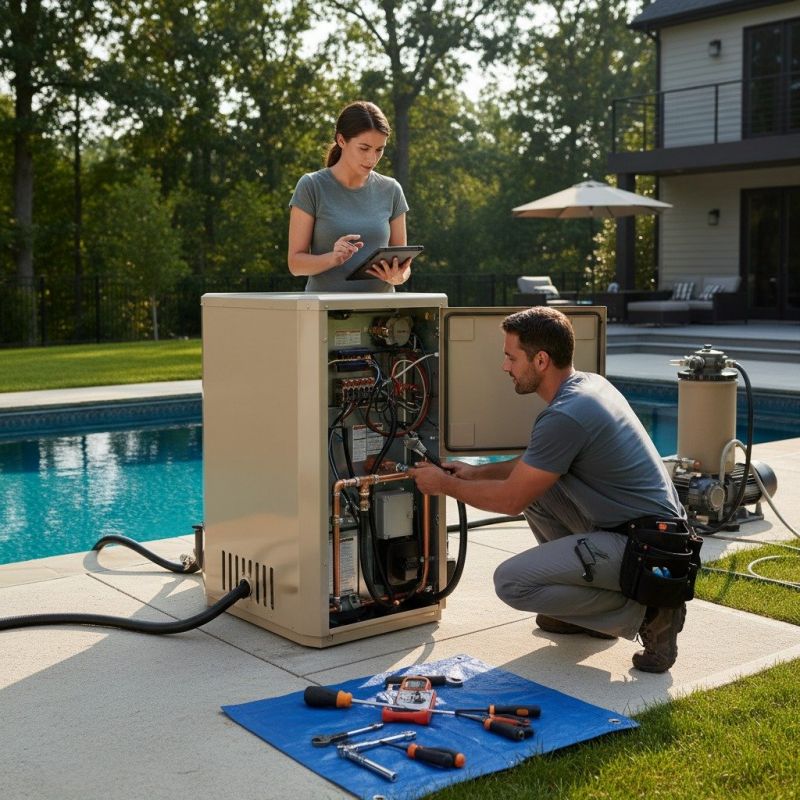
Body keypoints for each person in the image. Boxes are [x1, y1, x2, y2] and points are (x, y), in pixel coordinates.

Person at [410, 306, 689, 673]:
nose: (505, 366)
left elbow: (511, 500)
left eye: (511, 357)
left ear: (540, 360)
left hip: (648, 551)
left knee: (511, 583)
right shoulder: (588, 386)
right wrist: (474, 474)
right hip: (645, 536)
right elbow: (536, 465)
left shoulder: (566, 415)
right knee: (541, 492)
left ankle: (651, 612)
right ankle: (590, 616)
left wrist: (444, 485)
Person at [288, 101, 412, 292]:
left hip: (382, 309)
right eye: (364, 148)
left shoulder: (392, 189)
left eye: (379, 149)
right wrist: (332, 258)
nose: (372, 158)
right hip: (326, 307)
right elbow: (295, 264)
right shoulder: (311, 186)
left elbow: (403, 265)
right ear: (341, 140)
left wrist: (398, 276)